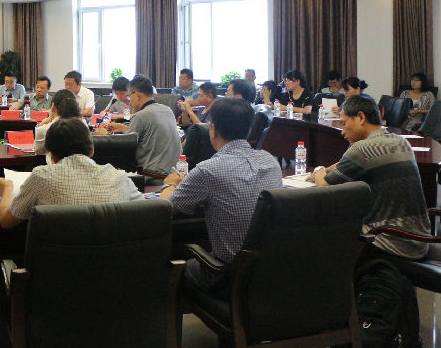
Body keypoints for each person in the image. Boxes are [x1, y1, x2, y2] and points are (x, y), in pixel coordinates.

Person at [160, 98, 282, 290]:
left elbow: (164, 208)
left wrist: (170, 184)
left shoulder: (208, 170)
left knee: (166, 270)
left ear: (213, 129)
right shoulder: (270, 162)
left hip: (226, 276)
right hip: (269, 271)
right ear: (248, 129)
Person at [309, 96, 430, 260]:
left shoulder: (362, 149)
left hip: (388, 241)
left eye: (344, 123)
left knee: (322, 229)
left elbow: (323, 186)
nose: (342, 131)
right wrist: (329, 168)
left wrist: (319, 169)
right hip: (419, 241)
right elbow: (350, 163)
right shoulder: (401, 142)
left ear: (360, 117)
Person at [0, 117, 143, 229]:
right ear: (92, 150)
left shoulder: (41, 177)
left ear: (51, 155)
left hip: (59, 262)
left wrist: (7, 190)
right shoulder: (119, 177)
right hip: (111, 261)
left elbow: (6, 221)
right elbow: (148, 211)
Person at [100, 75, 182, 176]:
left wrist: (105, 136)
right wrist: (124, 128)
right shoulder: (167, 110)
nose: (129, 101)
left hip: (153, 175)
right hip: (175, 173)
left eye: (129, 96)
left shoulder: (140, 116)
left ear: (137, 95)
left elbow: (126, 149)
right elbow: (147, 136)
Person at [33, 89, 82, 161]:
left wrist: (41, 124)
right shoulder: (83, 125)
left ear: (53, 106)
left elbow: (38, 151)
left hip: (56, 166)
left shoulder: (45, 129)